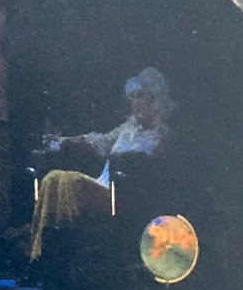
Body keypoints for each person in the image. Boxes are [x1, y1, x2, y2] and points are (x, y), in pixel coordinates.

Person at [27, 68, 174, 262]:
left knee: (64, 179)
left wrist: (129, 160)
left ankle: (43, 249)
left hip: (127, 197)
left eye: (140, 97)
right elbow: (100, 141)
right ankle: (40, 248)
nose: (134, 103)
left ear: (155, 100)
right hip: (104, 186)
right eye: (133, 97)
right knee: (53, 179)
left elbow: (149, 166)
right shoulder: (127, 128)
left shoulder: (162, 135)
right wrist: (63, 141)